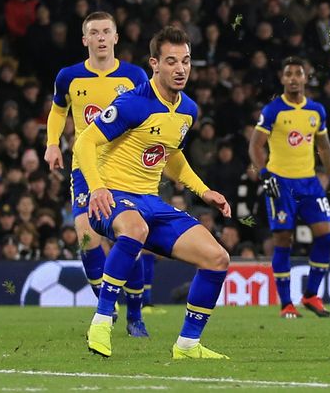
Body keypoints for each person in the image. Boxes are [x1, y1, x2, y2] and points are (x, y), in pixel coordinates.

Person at [74, 26, 232, 359]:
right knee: (135, 228)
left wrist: (204, 192)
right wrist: (97, 187)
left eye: (186, 61)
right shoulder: (134, 103)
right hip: (112, 197)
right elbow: (85, 141)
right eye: (171, 61)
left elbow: (171, 155)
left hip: (150, 202)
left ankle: (188, 344)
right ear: (154, 64)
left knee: (217, 258)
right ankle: (101, 321)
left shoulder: (188, 109)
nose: (180, 69)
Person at [43, 11, 150, 335]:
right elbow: (58, 112)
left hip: (126, 168)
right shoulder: (69, 77)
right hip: (85, 167)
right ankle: (107, 304)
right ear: (85, 40)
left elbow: (149, 116)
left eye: (106, 32)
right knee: (86, 233)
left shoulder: (134, 77)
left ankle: (135, 315)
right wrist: (51, 144)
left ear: (116, 38)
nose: (101, 37)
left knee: (132, 238)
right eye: (95, 32)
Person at [247, 57, 330, 319]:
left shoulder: (316, 111)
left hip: (310, 183)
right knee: (283, 241)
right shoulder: (273, 110)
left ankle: (311, 295)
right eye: (288, 74)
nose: (293, 78)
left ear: (305, 77)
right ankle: (286, 303)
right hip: (281, 183)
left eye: (298, 73)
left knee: (326, 236)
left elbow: (324, 147)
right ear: (282, 78)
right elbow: (255, 145)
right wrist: (265, 174)